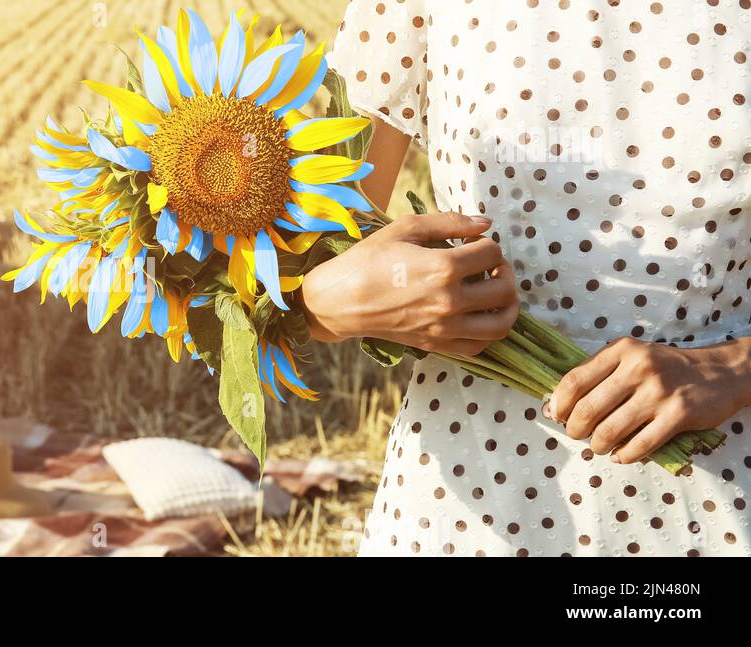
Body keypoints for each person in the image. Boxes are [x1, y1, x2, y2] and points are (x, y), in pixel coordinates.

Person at [304, 0, 751, 556]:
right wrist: (324, 303)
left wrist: (735, 368)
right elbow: (304, 254)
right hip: (470, 501)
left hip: (719, 498)